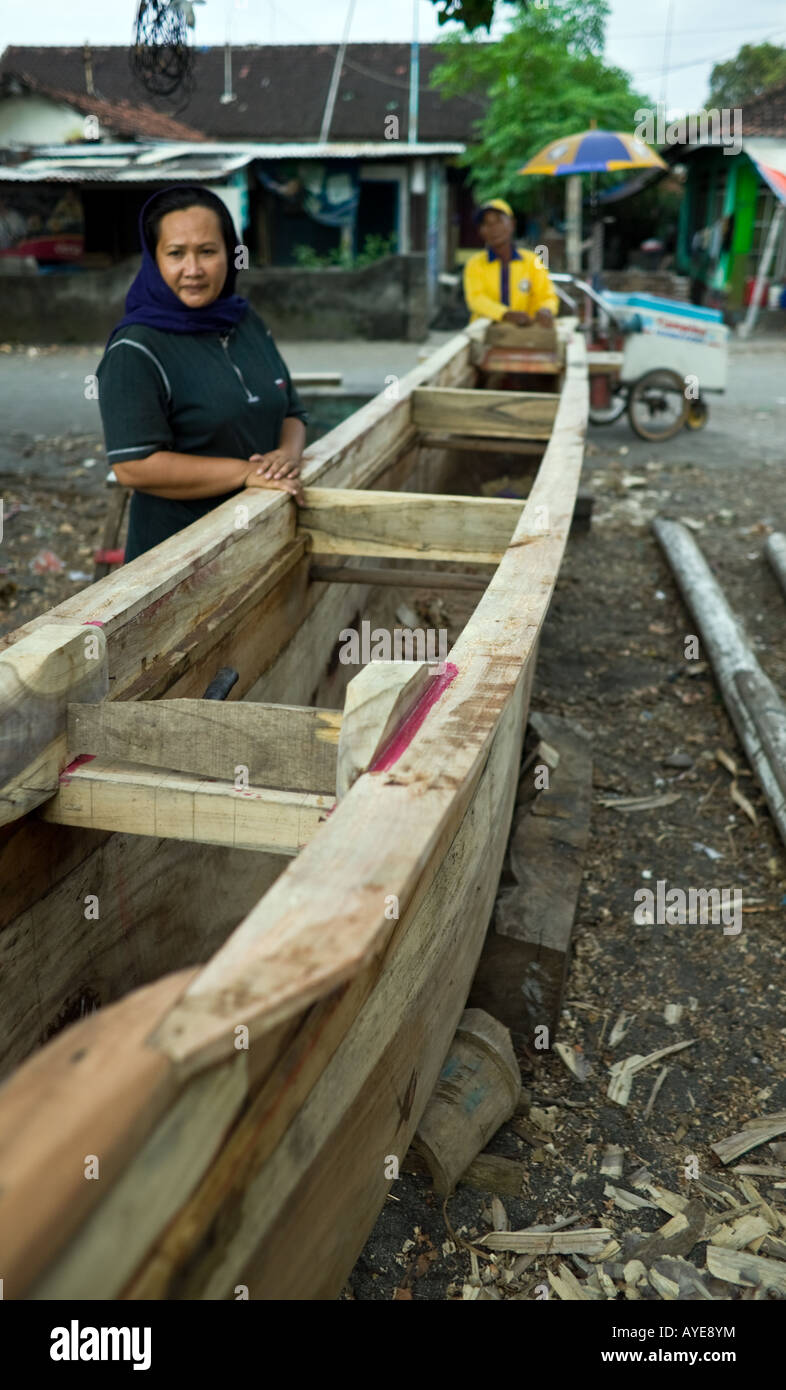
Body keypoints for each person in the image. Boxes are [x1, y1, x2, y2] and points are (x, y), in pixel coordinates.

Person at [96, 184, 307, 563]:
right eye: (176, 253)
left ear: (230, 254)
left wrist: (286, 457)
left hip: (259, 539)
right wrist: (244, 473)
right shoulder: (136, 348)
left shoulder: (245, 321)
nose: (192, 270)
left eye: (207, 252)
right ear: (154, 260)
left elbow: (292, 410)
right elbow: (133, 466)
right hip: (177, 558)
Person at [463, 198, 559, 327]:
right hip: (486, 333)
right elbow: (476, 299)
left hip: (526, 334)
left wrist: (546, 310)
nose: (493, 228)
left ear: (512, 224)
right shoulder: (474, 264)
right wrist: (505, 314)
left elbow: (546, 296)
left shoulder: (533, 261)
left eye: (499, 221)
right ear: (480, 231)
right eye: (486, 223)